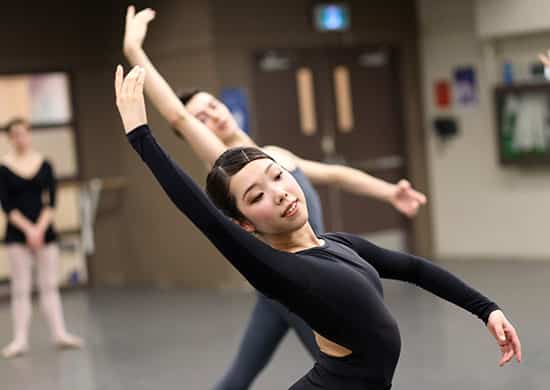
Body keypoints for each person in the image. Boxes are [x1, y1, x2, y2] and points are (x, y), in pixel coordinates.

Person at [115, 65, 521, 389]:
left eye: (276, 176)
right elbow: (199, 212)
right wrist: (140, 136)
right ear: (244, 224)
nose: (277, 193)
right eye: (256, 198)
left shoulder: (335, 243)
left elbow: (413, 269)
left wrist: (487, 310)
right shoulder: (276, 268)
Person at [122, 6, 428, 388]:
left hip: (301, 277)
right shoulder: (225, 164)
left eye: (212, 106)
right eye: (200, 117)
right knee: (342, 365)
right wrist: (134, 48)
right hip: (298, 281)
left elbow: (334, 174)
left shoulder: (271, 155)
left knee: (241, 375)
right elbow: (177, 117)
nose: (211, 117)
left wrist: (390, 192)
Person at [0, 118, 83, 358]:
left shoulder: (45, 164)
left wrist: (39, 229)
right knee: (21, 288)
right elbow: (7, 205)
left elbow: (51, 201)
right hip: (18, 234)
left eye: (23, 133)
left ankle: (59, 333)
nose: (20, 138)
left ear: (29, 135)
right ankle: (20, 340)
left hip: (44, 232)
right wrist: (28, 230)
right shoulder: (4, 169)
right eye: (14, 134)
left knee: (49, 286)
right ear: (9, 138)